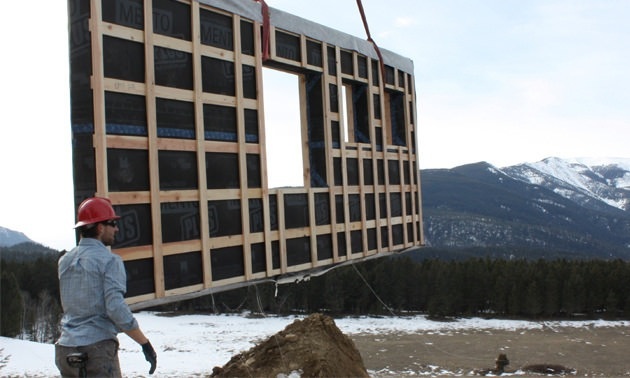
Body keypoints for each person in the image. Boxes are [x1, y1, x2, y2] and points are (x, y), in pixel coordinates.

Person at [55, 197, 157, 377]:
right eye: (112, 223)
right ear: (100, 227)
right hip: (96, 350)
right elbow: (115, 308)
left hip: (65, 348)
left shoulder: (65, 261)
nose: (116, 229)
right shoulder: (110, 261)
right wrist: (144, 343)